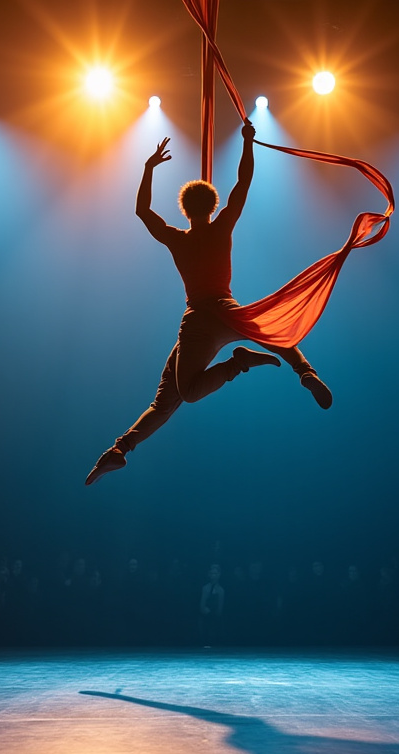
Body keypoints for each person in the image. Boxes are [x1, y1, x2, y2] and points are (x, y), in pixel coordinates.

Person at [86, 122, 331, 485]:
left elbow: (142, 211)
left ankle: (238, 364)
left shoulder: (177, 238)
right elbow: (242, 185)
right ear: (213, 205)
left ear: (184, 210)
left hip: (199, 319)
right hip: (226, 311)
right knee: (267, 334)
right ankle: (119, 450)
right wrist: (247, 144)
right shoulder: (222, 227)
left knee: (186, 393)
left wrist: (148, 168)